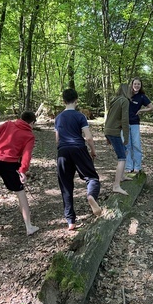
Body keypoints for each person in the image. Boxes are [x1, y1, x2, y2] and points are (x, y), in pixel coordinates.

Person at [55, 88, 102, 230]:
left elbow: (57, 140)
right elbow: (88, 137)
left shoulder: (58, 118)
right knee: (92, 178)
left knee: (65, 185)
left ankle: (71, 221)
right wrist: (93, 151)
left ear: (63, 101)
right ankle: (91, 195)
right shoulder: (80, 116)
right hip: (78, 149)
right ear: (76, 100)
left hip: (63, 151)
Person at [105, 83, 131, 195]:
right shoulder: (124, 101)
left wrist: (106, 133)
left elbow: (108, 116)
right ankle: (116, 185)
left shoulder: (114, 100)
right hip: (115, 131)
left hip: (108, 130)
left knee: (124, 151)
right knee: (122, 157)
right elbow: (125, 120)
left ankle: (122, 176)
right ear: (126, 91)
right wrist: (126, 136)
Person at [125, 78, 153, 173]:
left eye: (139, 84)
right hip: (124, 123)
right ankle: (129, 166)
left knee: (136, 144)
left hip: (134, 123)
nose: (137, 86)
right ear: (132, 85)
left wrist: (141, 110)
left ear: (140, 86)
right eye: (135, 84)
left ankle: (137, 166)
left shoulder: (142, 97)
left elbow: (151, 107)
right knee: (127, 145)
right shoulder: (127, 95)